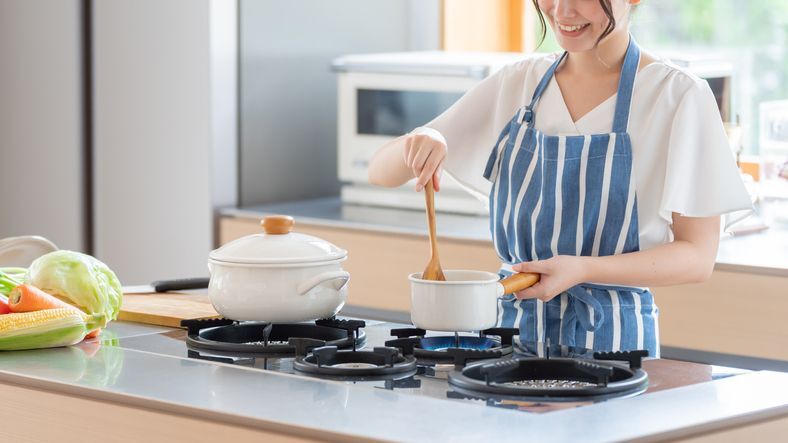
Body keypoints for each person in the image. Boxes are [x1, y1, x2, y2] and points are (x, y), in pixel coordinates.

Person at [367, 0, 752, 357]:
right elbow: (380, 171)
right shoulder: (519, 83)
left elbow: (697, 258)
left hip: (614, 345)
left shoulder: (676, 95)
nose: (563, 10)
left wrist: (585, 269)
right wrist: (419, 142)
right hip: (509, 339)